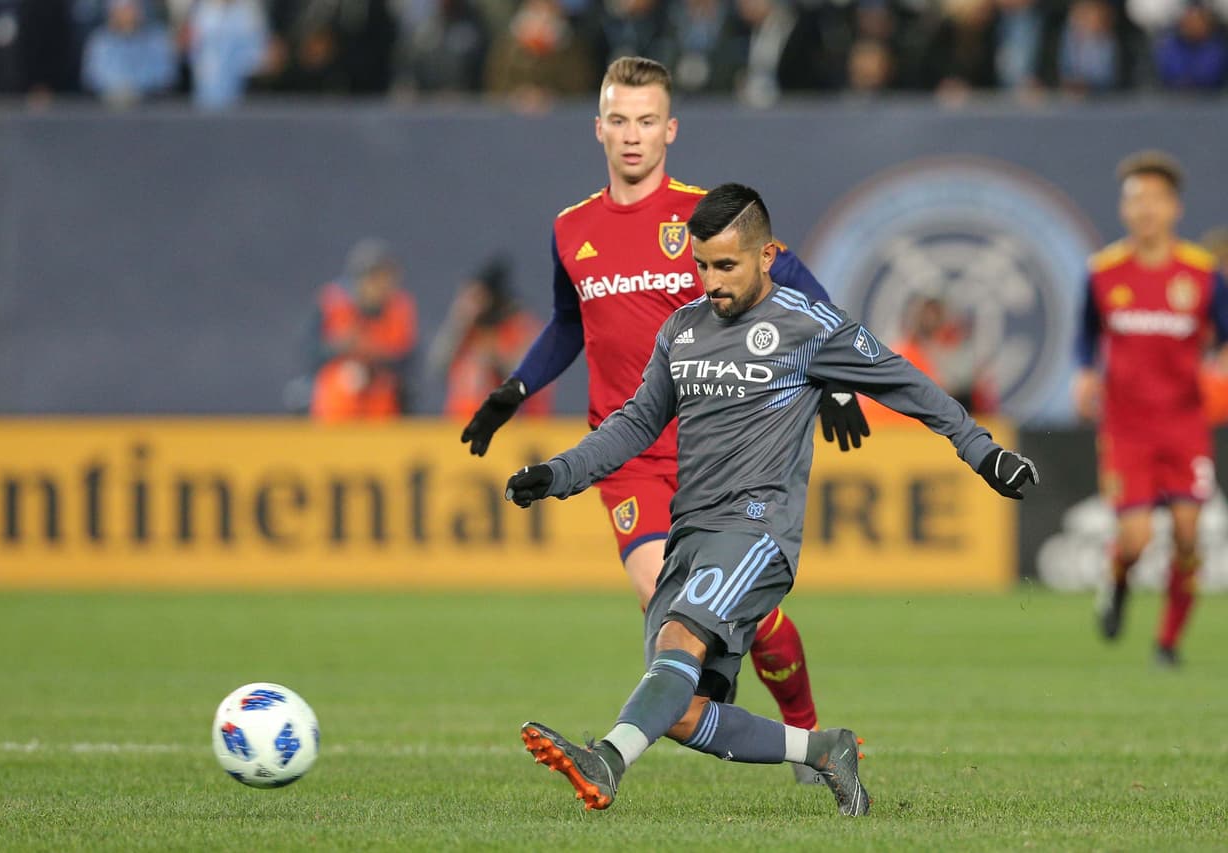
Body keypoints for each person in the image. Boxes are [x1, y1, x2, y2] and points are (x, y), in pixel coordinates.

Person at [504, 183, 1038, 815]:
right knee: (677, 708)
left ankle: (608, 760)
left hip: (759, 531)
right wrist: (561, 473)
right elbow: (635, 424)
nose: (711, 281)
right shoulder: (682, 330)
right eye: (700, 265)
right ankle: (823, 750)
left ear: (768, 255)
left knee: (678, 641)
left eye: (726, 265)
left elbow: (907, 384)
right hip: (692, 534)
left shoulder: (808, 325)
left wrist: (981, 451)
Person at [460, 57, 871, 774]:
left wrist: (834, 372)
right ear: (599, 127)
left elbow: (796, 282)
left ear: (669, 129)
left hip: (723, 451)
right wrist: (515, 389)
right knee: (670, 604)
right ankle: (798, 742)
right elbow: (568, 323)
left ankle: (803, 727)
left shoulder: (706, 218)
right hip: (630, 458)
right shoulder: (571, 228)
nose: (632, 135)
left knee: (734, 619)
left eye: (647, 121)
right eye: (619, 120)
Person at [1076, 150, 1228, 667]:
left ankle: (1168, 643)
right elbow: (1086, 336)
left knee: (1188, 534)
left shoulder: (1203, 275)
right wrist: (1085, 375)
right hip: (1127, 426)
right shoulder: (1103, 272)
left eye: (1154, 200)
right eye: (1135, 199)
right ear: (1124, 209)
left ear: (1173, 209)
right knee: (1137, 541)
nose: (1145, 210)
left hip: (1185, 423)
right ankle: (1116, 581)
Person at [307, 239, 418, 422]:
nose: (381, 286)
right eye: (374, 278)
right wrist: (338, 347)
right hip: (335, 414)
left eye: (386, 278)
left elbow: (408, 361)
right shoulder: (334, 305)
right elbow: (310, 353)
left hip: (382, 414)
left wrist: (377, 355)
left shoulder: (399, 309)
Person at [429, 256, 552, 418]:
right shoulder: (466, 330)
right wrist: (459, 322)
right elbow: (438, 364)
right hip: (460, 425)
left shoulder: (519, 326)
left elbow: (528, 376)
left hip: (511, 429)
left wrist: (495, 357)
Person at [82, 0, 177, 104]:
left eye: (132, 8)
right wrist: (119, 90)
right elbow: (92, 77)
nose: (128, 14)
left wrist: (137, 90)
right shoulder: (99, 41)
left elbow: (167, 76)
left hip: (152, 107)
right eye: (123, 9)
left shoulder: (158, 40)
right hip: (107, 109)